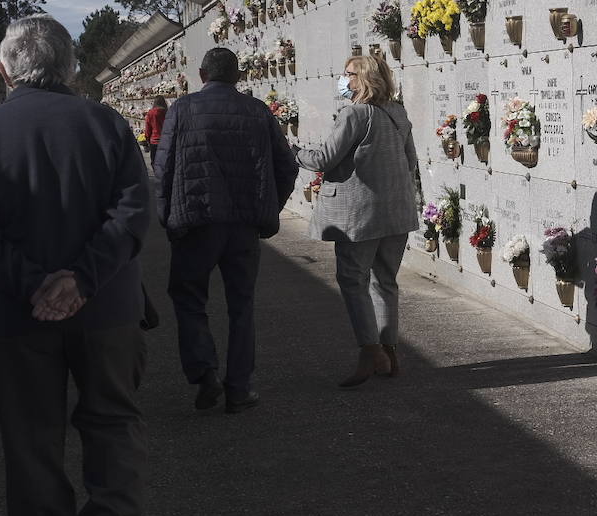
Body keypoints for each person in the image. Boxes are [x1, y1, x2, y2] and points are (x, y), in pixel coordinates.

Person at [0, 15, 152, 516]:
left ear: (5, 68)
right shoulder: (108, 126)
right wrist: (81, 279)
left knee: (31, 442)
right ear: (70, 67)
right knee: (113, 421)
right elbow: (134, 212)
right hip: (108, 311)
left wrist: (36, 283)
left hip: (18, 319)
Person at [154, 47, 297, 413]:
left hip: (195, 222)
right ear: (238, 77)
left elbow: (164, 166)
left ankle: (205, 373)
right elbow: (287, 166)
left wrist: (165, 217)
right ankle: (239, 387)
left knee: (189, 299)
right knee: (242, 305)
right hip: (242, 227)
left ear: (202, 75)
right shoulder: (258, 111)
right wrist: (269, 207)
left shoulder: (182, 109)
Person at [295, 54, 419, 387]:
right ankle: (389, 352)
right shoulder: (398, 113)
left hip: (359, 218)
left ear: (363, 79)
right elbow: (410, 163)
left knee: (353, 280)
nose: (343, 79)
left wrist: (292, 150)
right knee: (385, 282)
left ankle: (370, 350)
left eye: (348, 74)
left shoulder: (354, 114)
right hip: (396, 214)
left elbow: (323, 158)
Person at [143, 96, 167, 167]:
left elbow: (148, 128)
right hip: (166, 140)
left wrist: (147, 138)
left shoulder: (151, 113)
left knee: (155, 161)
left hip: (154, 141)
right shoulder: (167, 112)